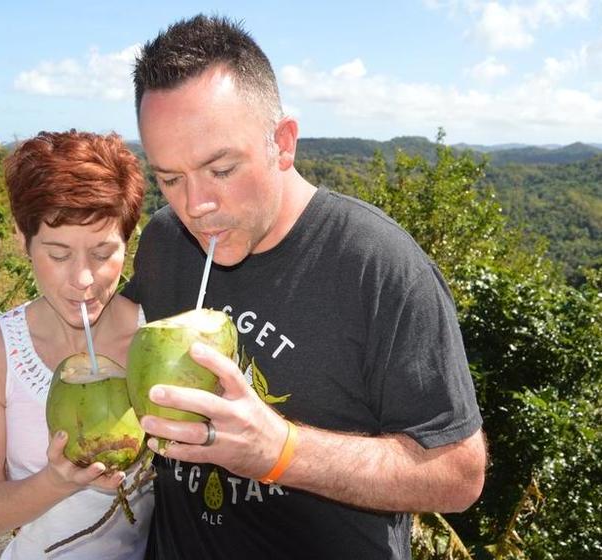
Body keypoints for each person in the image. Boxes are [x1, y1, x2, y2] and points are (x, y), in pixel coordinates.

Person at [122, 15, 487, 559]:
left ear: (283, 143)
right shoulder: (165, 241)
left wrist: (281, 451)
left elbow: (458, 474)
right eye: (170, 178)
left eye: (221, 169)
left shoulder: (377, 266)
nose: (195, 205)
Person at [0, 130, 153, 560]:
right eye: (59, 255)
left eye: (103, 253)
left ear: (128, 239)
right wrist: (57, 481)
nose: (83, 279)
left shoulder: (153, 339)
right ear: (22, 240)